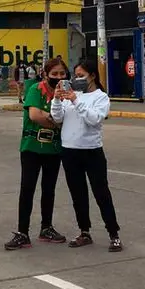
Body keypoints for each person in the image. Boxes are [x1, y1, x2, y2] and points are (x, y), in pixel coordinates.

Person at [50, 58, 122, 252]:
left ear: (92, 76)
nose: (77, 79)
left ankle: (113, 233)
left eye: (81, 76)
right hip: (69, 149)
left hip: (91, 150)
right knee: (78, 194)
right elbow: (57, 118)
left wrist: (75, 99)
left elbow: (94, 119)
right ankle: (84, 231)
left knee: (101, 193)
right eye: (76, 76)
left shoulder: (101, 97)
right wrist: (57, 99)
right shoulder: (70, 95)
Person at [5, 56, 67, 250]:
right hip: (32, 147)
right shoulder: (36, 89)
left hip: (54, 148)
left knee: (49, 189)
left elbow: (68, 117)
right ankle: (23, 232)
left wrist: (50, 117)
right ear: (45, 74)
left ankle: (46, 227)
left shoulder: (67, 93)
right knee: (28, 189)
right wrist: (54, 119)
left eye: (62, 73)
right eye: (54, 73)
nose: (58, 77)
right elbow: (35, 115)